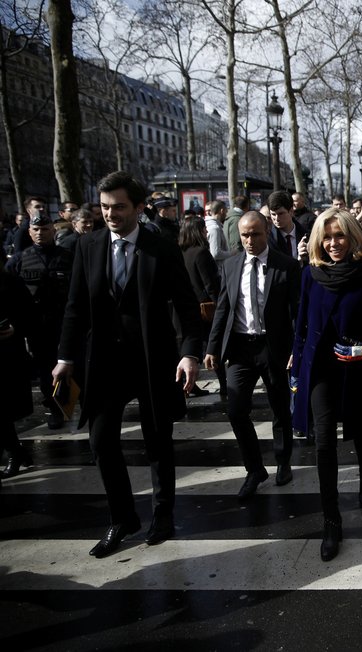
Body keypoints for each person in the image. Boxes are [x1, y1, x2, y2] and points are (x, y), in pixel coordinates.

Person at [53, 170, 203, 558]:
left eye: (118, 207)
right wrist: (65, 358)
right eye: (104, 207)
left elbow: (187, 306)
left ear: (138, 207)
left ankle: (163, 514)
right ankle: (122, 518)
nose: (110, 214)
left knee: (157, 442)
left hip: (153, 361)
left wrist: (189, 352)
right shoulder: (88, 245)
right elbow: (75, 308)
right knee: (101, 442)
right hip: (103, 362)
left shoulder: (162, 247)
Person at [291, 208, 362, 561]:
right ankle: (331, 520)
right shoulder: (311, 275)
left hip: (358, 365)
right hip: (320, 370)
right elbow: (300, 328)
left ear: (353, 237)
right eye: (326, 237)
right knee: (323, 441)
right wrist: (295, 370)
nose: (333, 243)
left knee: (360, 433)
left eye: (339, 236)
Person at [204, 211, 301, 497]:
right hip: (240, 348)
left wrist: (297, 348)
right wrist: (211, 348)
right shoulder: (231, 265)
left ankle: (283, 461)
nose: (249, 240)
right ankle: (254, 469)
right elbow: (223, 307)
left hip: (274, 347)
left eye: (255, 234)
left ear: (267, 230)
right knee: (235, 410)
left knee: (280, 408)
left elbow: (295, 313)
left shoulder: (286, 266)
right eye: (245, 235)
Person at [6, 212, 74, 429]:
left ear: (53, 231)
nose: (40, 233)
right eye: (36, 229)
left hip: (65, 322)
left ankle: (68, 403)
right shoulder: (20, 260)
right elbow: (8, 295)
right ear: (29, 232)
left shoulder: (68, 257)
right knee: (46, 370)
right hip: (36, 325)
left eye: (45, 229)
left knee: (71, 365)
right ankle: (55, 407)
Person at [179, 216, 222, 399]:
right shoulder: (201, 252)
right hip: (206, 308)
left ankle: (188, 384)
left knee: (191, 348)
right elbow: (210, 283)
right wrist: (220, 305)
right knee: (214, 346)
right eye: (204, 229)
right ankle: (225, 382)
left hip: (187, 306)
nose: (206, 232)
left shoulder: (182, 251)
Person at [0, 267, 36, 483]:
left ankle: (15, 452)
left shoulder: (10, 282)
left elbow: (29, 315)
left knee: (1, 410)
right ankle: (15, 450)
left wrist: (15, 328)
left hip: (6, 355)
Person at [267, 190, 308, 265]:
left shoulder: (306, 235)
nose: (277, 218)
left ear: (291, 211)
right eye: (273, 214)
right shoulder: (268, 238)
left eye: (281, 213)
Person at [204, 200, 232, 265]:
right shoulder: (214, 228)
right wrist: (232, 253)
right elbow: (215, 254)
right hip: (217, 269)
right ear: (222, 211)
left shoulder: (210, 225)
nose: (226, 213)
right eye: (226, 211)